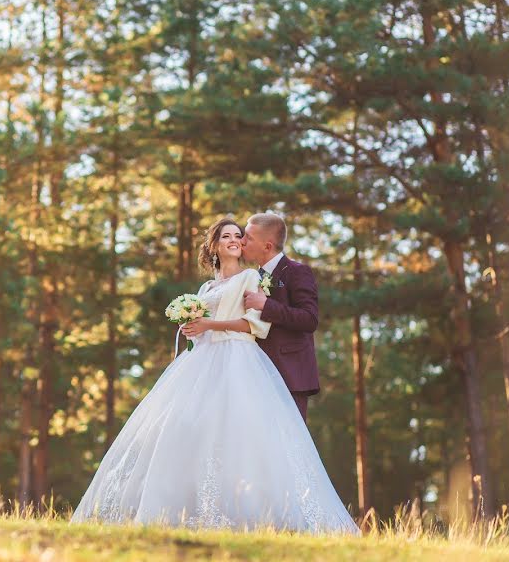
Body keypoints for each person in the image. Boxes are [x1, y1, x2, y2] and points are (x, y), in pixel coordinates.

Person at [70, 218, 358, 533]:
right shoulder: (206, 288)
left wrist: (212, 324)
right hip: (204, 363)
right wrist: (192, 328)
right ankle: (185, 510)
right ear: (215, 245)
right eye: (230, 236)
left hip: (247, 363)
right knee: (189, 431)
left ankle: (268, 516)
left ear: (265, 244)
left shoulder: (255, 277)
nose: (238, 240)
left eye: (241, 235)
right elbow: (204, 331)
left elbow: (261, 324)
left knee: (257, 443)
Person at [241, 213, 320, 421]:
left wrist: (267, 305)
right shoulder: (250, 278)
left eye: (248, 238)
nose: (241, 241)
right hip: (256, 373)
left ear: (267, 246)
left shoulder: (297, 272)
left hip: (290, 374)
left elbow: (309, 319)